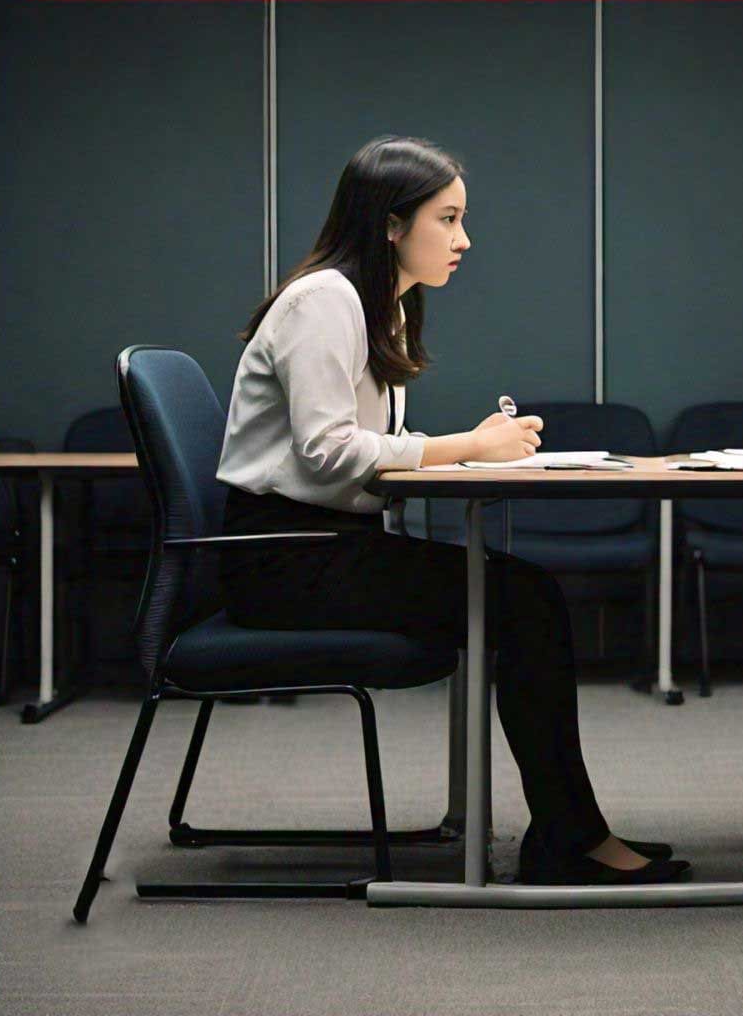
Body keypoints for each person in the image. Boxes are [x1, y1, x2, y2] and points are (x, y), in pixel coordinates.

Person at [216, 135, 688, 886]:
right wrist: (464, 444)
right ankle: (569, 838)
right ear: (392, 225)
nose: (465, 240)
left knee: (524, 596)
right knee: (525, 600)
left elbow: (365, 449)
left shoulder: (376, 305)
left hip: (324, 545)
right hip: (285, 558)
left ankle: (568, 833)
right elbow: (328, 454)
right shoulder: (325, 302)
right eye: (450, 219)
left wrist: (463, 452)